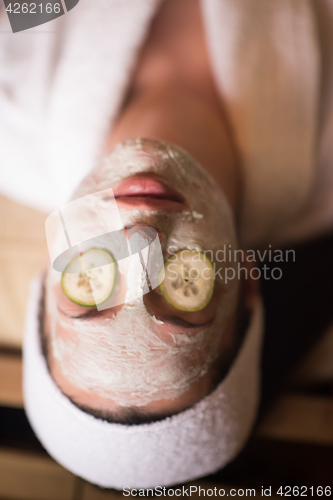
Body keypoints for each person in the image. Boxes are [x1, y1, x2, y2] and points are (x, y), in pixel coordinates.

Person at [1, 0, 333, 490]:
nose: (141, 237)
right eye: (181, 291)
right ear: (245, 285)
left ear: (48, 278)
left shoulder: (10, 121)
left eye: (91, 285)